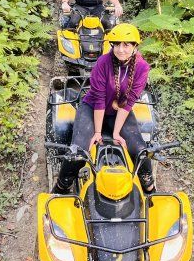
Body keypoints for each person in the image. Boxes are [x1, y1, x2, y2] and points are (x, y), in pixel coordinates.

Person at [52, 23, 156, 195]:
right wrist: (98, 133)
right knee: (77, 152)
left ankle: (150, 190)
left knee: (140, 151)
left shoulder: (142, 68)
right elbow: (99, 99)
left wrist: (116, 133)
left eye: (126, 44)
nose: (121, 49)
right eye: (117, 44)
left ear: (135, 46)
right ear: (112, 45)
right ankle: (61, 187)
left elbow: (129, 102)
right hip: (92, 107)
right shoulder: (103, 62)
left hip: (119, 111)